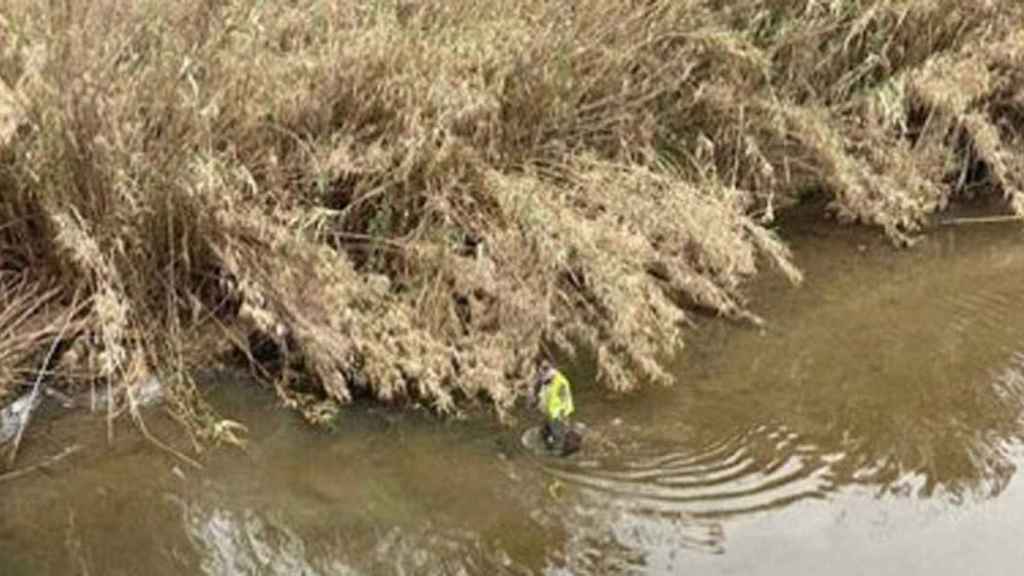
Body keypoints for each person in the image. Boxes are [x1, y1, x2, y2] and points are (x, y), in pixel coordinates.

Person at [530, 360, 580, 456]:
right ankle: (548, 443)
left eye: (546, 369)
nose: (542, 372)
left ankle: (560, 452)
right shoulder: (543, 380)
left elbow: (565, 399)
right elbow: (540, 394)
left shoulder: (561, 382)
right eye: (541, 369)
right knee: (546, 431)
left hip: (558, 414)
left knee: (558, 435)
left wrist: (562, 414)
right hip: (550, 412)